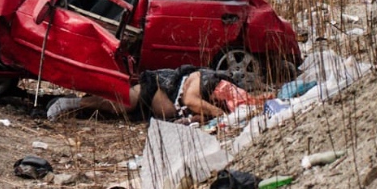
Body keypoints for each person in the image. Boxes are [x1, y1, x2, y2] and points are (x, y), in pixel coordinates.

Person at [47, 66, 256, 123]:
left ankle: (78, 109)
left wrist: (195, 120)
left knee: (118, 113)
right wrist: (221, 114)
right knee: (122, 104)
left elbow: (196, 114)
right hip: (156, 88)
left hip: (155, 111)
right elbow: (190, 100)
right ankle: (71, 103)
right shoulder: (207, 79)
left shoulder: (213, 103)